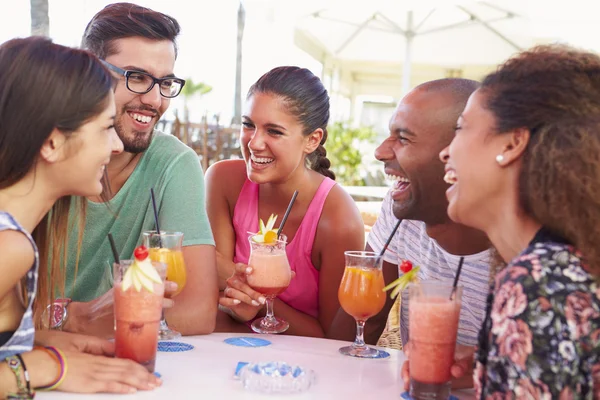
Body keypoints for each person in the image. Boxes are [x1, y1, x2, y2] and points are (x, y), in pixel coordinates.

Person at [428, 45, 600, 397]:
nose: (446, 152)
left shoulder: (539, 285)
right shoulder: (568, 268)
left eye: (461, 128)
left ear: (512, 143)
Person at [0, 36, 161, 398]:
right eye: (106, 128)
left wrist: (41, 341)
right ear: (52, 142)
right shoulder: (9, 246)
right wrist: (44, 366)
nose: (117, 145)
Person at [52, 3, 217, 337]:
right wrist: (75, 317)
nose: (155, 100)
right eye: (137, 77)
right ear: (90, 73)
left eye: (165, 82)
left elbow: (196, 311)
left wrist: (74, 319)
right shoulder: (44, 151)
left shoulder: (172, 163)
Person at [329, 79, 491, 381]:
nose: (380, 151)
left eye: (403, 138)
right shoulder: (402, 208)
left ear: (457, 154)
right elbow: (363, 323)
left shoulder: (522, 247)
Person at [206, 66, 365, 337]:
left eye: (274, 131)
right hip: (229, 348)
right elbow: (212, 287)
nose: (254, 143)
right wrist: (234, 295)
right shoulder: (223, 180)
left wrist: (258, 305)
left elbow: (334, 338)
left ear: (312, 140)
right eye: (248, 125)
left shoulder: (338, 218)